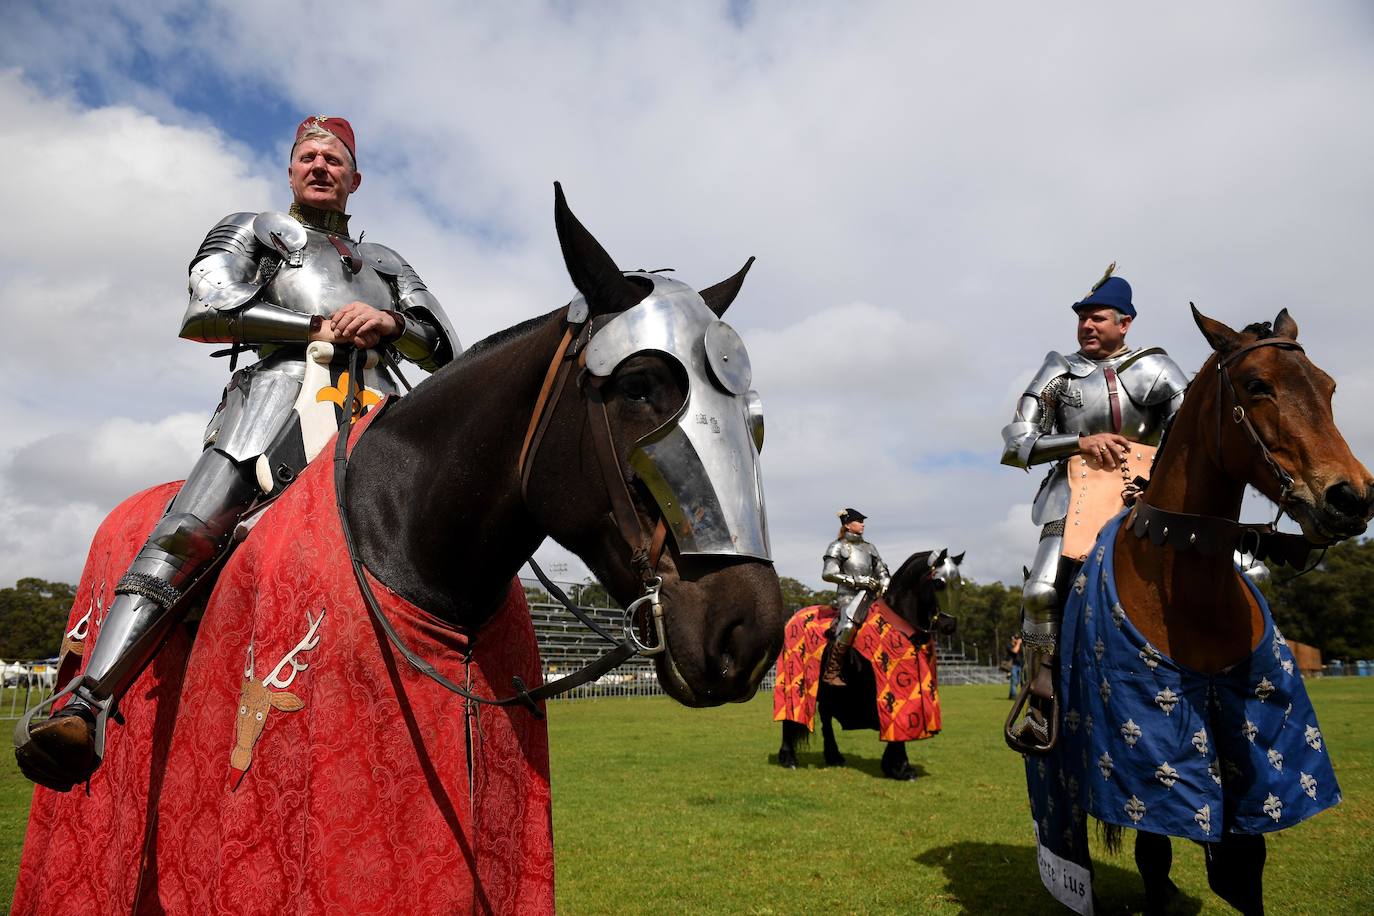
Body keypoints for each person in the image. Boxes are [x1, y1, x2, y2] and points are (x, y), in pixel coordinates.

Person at [21, 115, 460, 785]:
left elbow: (447, 347)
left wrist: (391, 321)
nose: (320, 167)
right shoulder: (254, 229)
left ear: (355, 179)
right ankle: (86, 703)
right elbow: (206, 307)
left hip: (377, 416)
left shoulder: (387, 264)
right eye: (308, 157)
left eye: (334, 160)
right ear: (291, 170)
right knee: (186, 531)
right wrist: (322, 324)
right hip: (273, 405)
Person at [999, 265, 1187, 747]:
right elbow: (1016, 442)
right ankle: (1042, 693)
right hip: (1073, 496)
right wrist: (1079, 442)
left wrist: (1154, 480)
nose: (1086, 325)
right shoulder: (1059, 369)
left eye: (1097, 318)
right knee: (1041, 592)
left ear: (1125, 322)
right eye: (1082, 317)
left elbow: (1190, 440)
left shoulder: (1159, 369)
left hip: (1146, 500)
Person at [820, 508, 890, 687]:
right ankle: (832, 671)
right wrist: (858, 580)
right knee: (849, 626)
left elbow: (881, 570)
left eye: (863, 521)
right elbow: (828, 573)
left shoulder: (870, 548)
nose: (863, 524)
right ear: (847, 524)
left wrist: (885, 582)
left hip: (872, 596)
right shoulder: (838, 546)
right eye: (859, 521)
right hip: (848, 597)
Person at [1006, 634, 1023, 700]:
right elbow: (1015, 651)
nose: (1017, 639)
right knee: (1014, 680)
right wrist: (1018, 643)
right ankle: (1013, 695)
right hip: (1013, 665)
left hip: (1020, 665)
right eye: (1015, 638)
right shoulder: (1009, 645)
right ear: (1012, 638)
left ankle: (1011, 695)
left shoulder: (1021, 646)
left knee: (1017, 681)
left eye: (1018, 638)